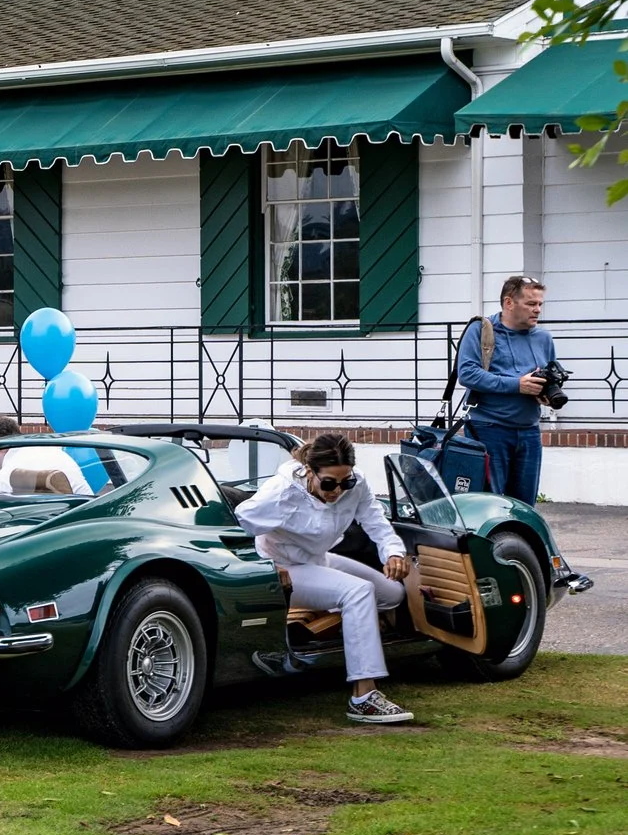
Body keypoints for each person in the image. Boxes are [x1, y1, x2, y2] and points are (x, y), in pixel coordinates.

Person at [233, 432, 415, 725]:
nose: (338, 491)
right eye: (329, 483)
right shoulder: (282, 492)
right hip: (282, 568)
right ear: (309, 471)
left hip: (319, 560)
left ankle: (334, 641)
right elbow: (235, 525)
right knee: (358, 592)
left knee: (392, 594)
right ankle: (364, 697)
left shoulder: (356, 485)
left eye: (346, 481)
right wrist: (264, 567)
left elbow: (376, 522)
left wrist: (393, 553)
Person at [456, 275, 558, 503]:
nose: (538, 310)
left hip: (529, 431)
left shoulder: (544, 338)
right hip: (489, 428)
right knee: (488, 503)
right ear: (509, 302)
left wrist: (546, 394)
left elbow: (548, 375)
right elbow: (468, 374)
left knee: (524, 505)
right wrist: (517, 385)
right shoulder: (481, 330)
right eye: (531, 304)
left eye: (540, 304)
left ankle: (517, 541)